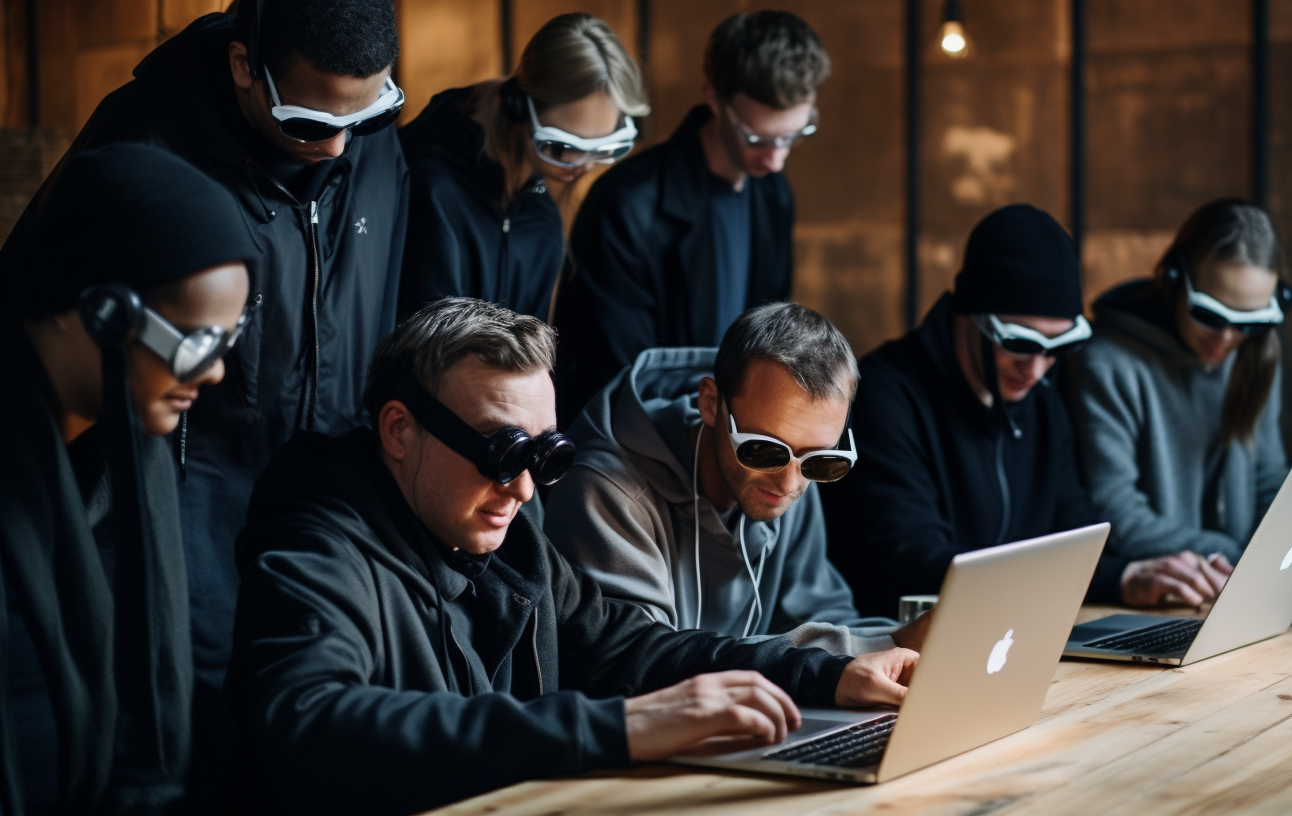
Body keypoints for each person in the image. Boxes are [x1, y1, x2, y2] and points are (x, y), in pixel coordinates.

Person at [226, 298, 916, 816]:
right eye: (501, 453)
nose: (524, 488)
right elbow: (311, 726)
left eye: (544, 457)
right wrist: (621, 725)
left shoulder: (510, 537)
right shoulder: (318, 545)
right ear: (401, 430)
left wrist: (828, 676)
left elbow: (633, 649)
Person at [0, 0, 411, 800]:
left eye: (367, 115)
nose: (337, 145)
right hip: (170, 549)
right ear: (242, 69)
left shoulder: (368, 138)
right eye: (306, 119)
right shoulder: (143, 155)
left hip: (307, 548)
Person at [821, 204, 1238, 620]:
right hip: (902, 650)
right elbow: (916, 566)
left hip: (1012, 637)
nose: (1036, 369)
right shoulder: (885, 395)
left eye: (1057, 348)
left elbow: (1075, 528)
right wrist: (1118, 578)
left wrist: (1138, 574)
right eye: (1019, 344)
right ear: (970, 316)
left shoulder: (1040, 398)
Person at [1, 145, 254, 815]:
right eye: (197, 343)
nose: (217, 373)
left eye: (230, 341)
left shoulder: (123, 467)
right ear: (92, 311)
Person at [546, 302, 930, 656]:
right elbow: (646, 664)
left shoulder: (794, 469)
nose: (789, 484)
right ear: (710, 403)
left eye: (821, 461)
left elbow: (826, 620)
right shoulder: (607, 491)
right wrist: (881, 645)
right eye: (764, 451)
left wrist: (911, 638)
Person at [1065, 198, 1292, 599]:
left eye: (1250, 322)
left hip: (1233, 589)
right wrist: (1251, 560)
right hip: (1163, 594)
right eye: (1211, 315)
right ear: (1172, 278)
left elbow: (1267, 479)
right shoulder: (1107, 362)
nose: (1227, 338)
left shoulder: (1252, 355)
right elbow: (1116, 510)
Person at [553, 10, 830, 426]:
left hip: (730, 441)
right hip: (633, 450)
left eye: (793, 136)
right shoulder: (626, 205)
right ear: (713, 96)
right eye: (757, 138)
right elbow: (623, 380)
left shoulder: (773, 194)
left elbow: (767, 340)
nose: (776, 159)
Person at [398, 13, 648, 324]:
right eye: (562, 147)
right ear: (519, 107)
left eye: (598, 150)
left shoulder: (540, 216)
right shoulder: (432, 187)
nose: (580, 167)